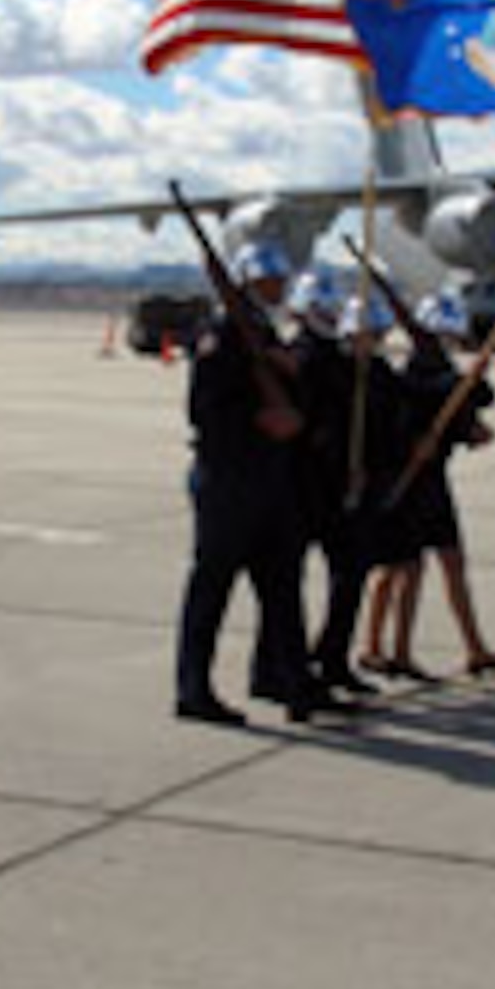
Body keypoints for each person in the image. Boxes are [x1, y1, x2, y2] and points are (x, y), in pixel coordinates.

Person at [174, 242, 341, 727]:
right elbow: (204, 410)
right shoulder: (221, 334)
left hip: (270, 477)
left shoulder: (263, 329)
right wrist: (259, 419)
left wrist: (291, 382)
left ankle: (292, 682)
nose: (281, 287)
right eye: (273, 280)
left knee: (283, 585)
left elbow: (294, 393)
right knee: (213, 587)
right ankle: (193, 688)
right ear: (249, 282)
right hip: (228, 477)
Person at [360, 290, 495, 680]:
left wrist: (470, 427)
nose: (445, 342)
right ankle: (380, 646)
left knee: (452, 562)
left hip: (435, 483)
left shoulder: (444, 372)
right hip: (410, 480)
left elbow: (476, 401)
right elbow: (420, 405)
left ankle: (475, 648)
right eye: (439, 335)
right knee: (400, 569)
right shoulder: (415, 374)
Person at [293, 284, 404, 699]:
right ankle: (293, 664)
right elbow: (318, 426)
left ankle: (333, 655)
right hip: (319, 488)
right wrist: (341, 463)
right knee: (295, 579)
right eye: (365, 335)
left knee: (352, 573)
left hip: (360, 491)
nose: (372, 343)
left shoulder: (378, 374)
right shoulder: (327, 368)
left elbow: (395, 420)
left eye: (377, 337)